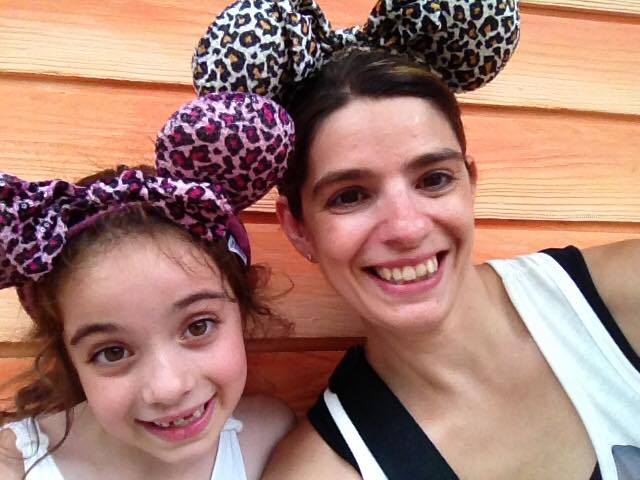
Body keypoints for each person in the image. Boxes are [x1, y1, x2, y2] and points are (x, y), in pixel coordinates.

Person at [262, 51, 640, 480]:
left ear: (470, 183)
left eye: (434, 179)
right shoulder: (320, 473)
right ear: (298, 228)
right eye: (349, 195)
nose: (406, 228)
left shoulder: (625, 297)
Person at [0, 92, 296, 480]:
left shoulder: (269, 440)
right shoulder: (15, 464)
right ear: (67, 353)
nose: (168, 388)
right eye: (111, 352)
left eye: (198, 326)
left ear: (241, 307)